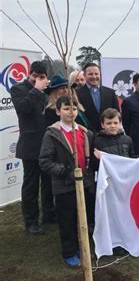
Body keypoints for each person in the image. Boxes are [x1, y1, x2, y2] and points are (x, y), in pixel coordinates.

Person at [38, 96, 94, 268]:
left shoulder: (85, 133)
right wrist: (64, 172)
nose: (71, 112)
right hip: (64, 185)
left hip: (84, 183)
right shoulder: (52, 134)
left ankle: (83, 246)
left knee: (84, 217)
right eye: (66, 109)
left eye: (74, 109)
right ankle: (69, 251)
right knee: (67, 219)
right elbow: (44, 161)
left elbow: (89, 157)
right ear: (58, 111)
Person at [11, 60, 54, 234]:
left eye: (42, 77)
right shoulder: (18, 89)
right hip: (29, 145)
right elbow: (23, 109)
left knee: (48, 183)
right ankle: (31, 221)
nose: (38, 80)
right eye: (35, 76)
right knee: (31, 185)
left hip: (47, 144)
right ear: (30, 74)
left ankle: (49, 214)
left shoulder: (45, 93)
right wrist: (36, 89)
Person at [76, 62, 120, 133]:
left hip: (108, 135)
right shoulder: (77, 94)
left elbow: (117, 114)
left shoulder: (110, 92)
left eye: (96, 74)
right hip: (87, 134)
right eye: (90, 74)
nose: (94, 77)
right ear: (84, 75)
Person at [90, 108, 134, 172]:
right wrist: (96, 158)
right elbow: (94, 167)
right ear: (102, 125)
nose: (112, 126)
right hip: (109, 177)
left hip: (125, 175)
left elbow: (131, 158)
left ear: (120, 123)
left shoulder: (127, 140)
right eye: (109, 123)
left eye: (115, 123)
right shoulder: (98, 142)